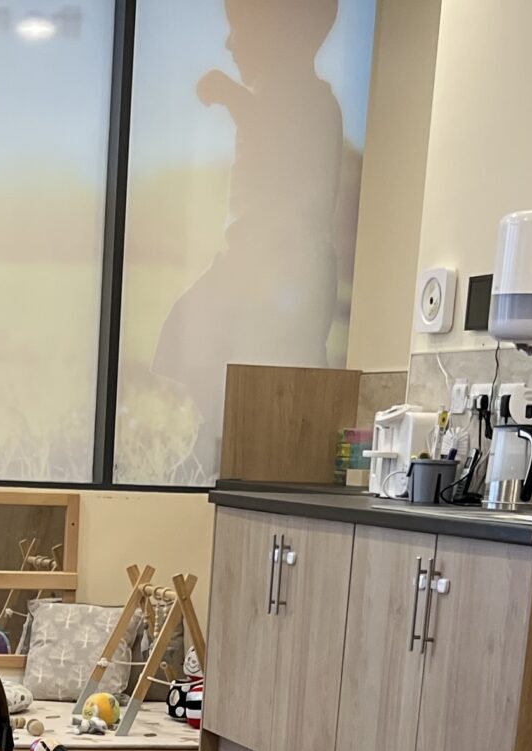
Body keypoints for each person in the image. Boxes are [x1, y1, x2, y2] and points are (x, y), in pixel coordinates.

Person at [150, 0, 349, 482]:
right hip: (261, 261)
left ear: (282, 34)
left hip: (279, 268)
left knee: (259, 365)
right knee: (198, 345)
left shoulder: (304, 100)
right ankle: (215, 438)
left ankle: (230, 448)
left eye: (239, 30)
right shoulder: (289, 98)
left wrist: (231, 96)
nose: (230, 44)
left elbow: (280, 136)